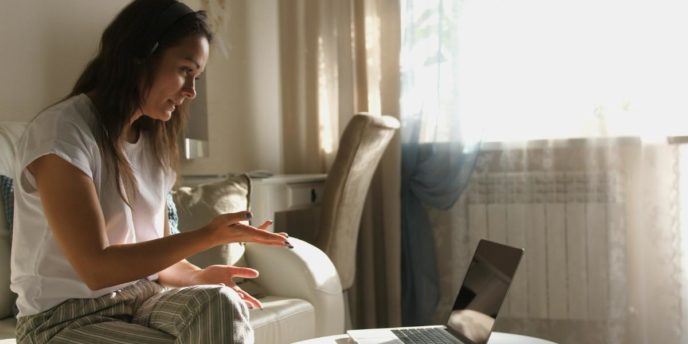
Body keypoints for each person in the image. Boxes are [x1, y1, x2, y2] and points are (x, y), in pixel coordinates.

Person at [9, 1, 290, 343]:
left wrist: (199, 275)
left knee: (220, 301)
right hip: (62, 320)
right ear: (140, 55)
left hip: (141, 301)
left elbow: (155, 262)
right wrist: (208, 235)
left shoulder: (153, 142)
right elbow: (96, 269)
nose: (191, 92)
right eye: (185, 70)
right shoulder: (61, 133)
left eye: (197, 76)